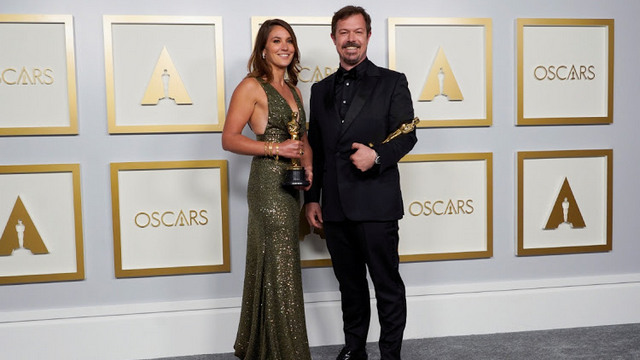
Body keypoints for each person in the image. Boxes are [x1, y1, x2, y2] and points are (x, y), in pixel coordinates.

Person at [304, 6, 417, 360]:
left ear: (368, 36)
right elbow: (317, 151)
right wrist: (312, 199)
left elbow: (408, 136)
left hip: (376, 203)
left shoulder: (392, 81)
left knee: (386, 286)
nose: (350, 39)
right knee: (349, 287)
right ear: (334, 38)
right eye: (343, 32)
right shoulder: (319, 89)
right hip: (334, 206)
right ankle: (354, 350)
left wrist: (377, 156)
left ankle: (390, 355)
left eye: (357, 32)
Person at [222, 18, 313, 360]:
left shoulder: (295, 90)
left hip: (293, 184)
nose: (285, 46)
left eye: (289, 40)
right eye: (276, 41)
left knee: (281, 264)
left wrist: (308, 164)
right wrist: (275, 149)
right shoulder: (250, 87)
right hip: (267, 186)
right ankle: (288, 353)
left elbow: (303, 138)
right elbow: (229, 139)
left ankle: (265, 347)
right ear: (263, 48)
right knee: (282, 264)